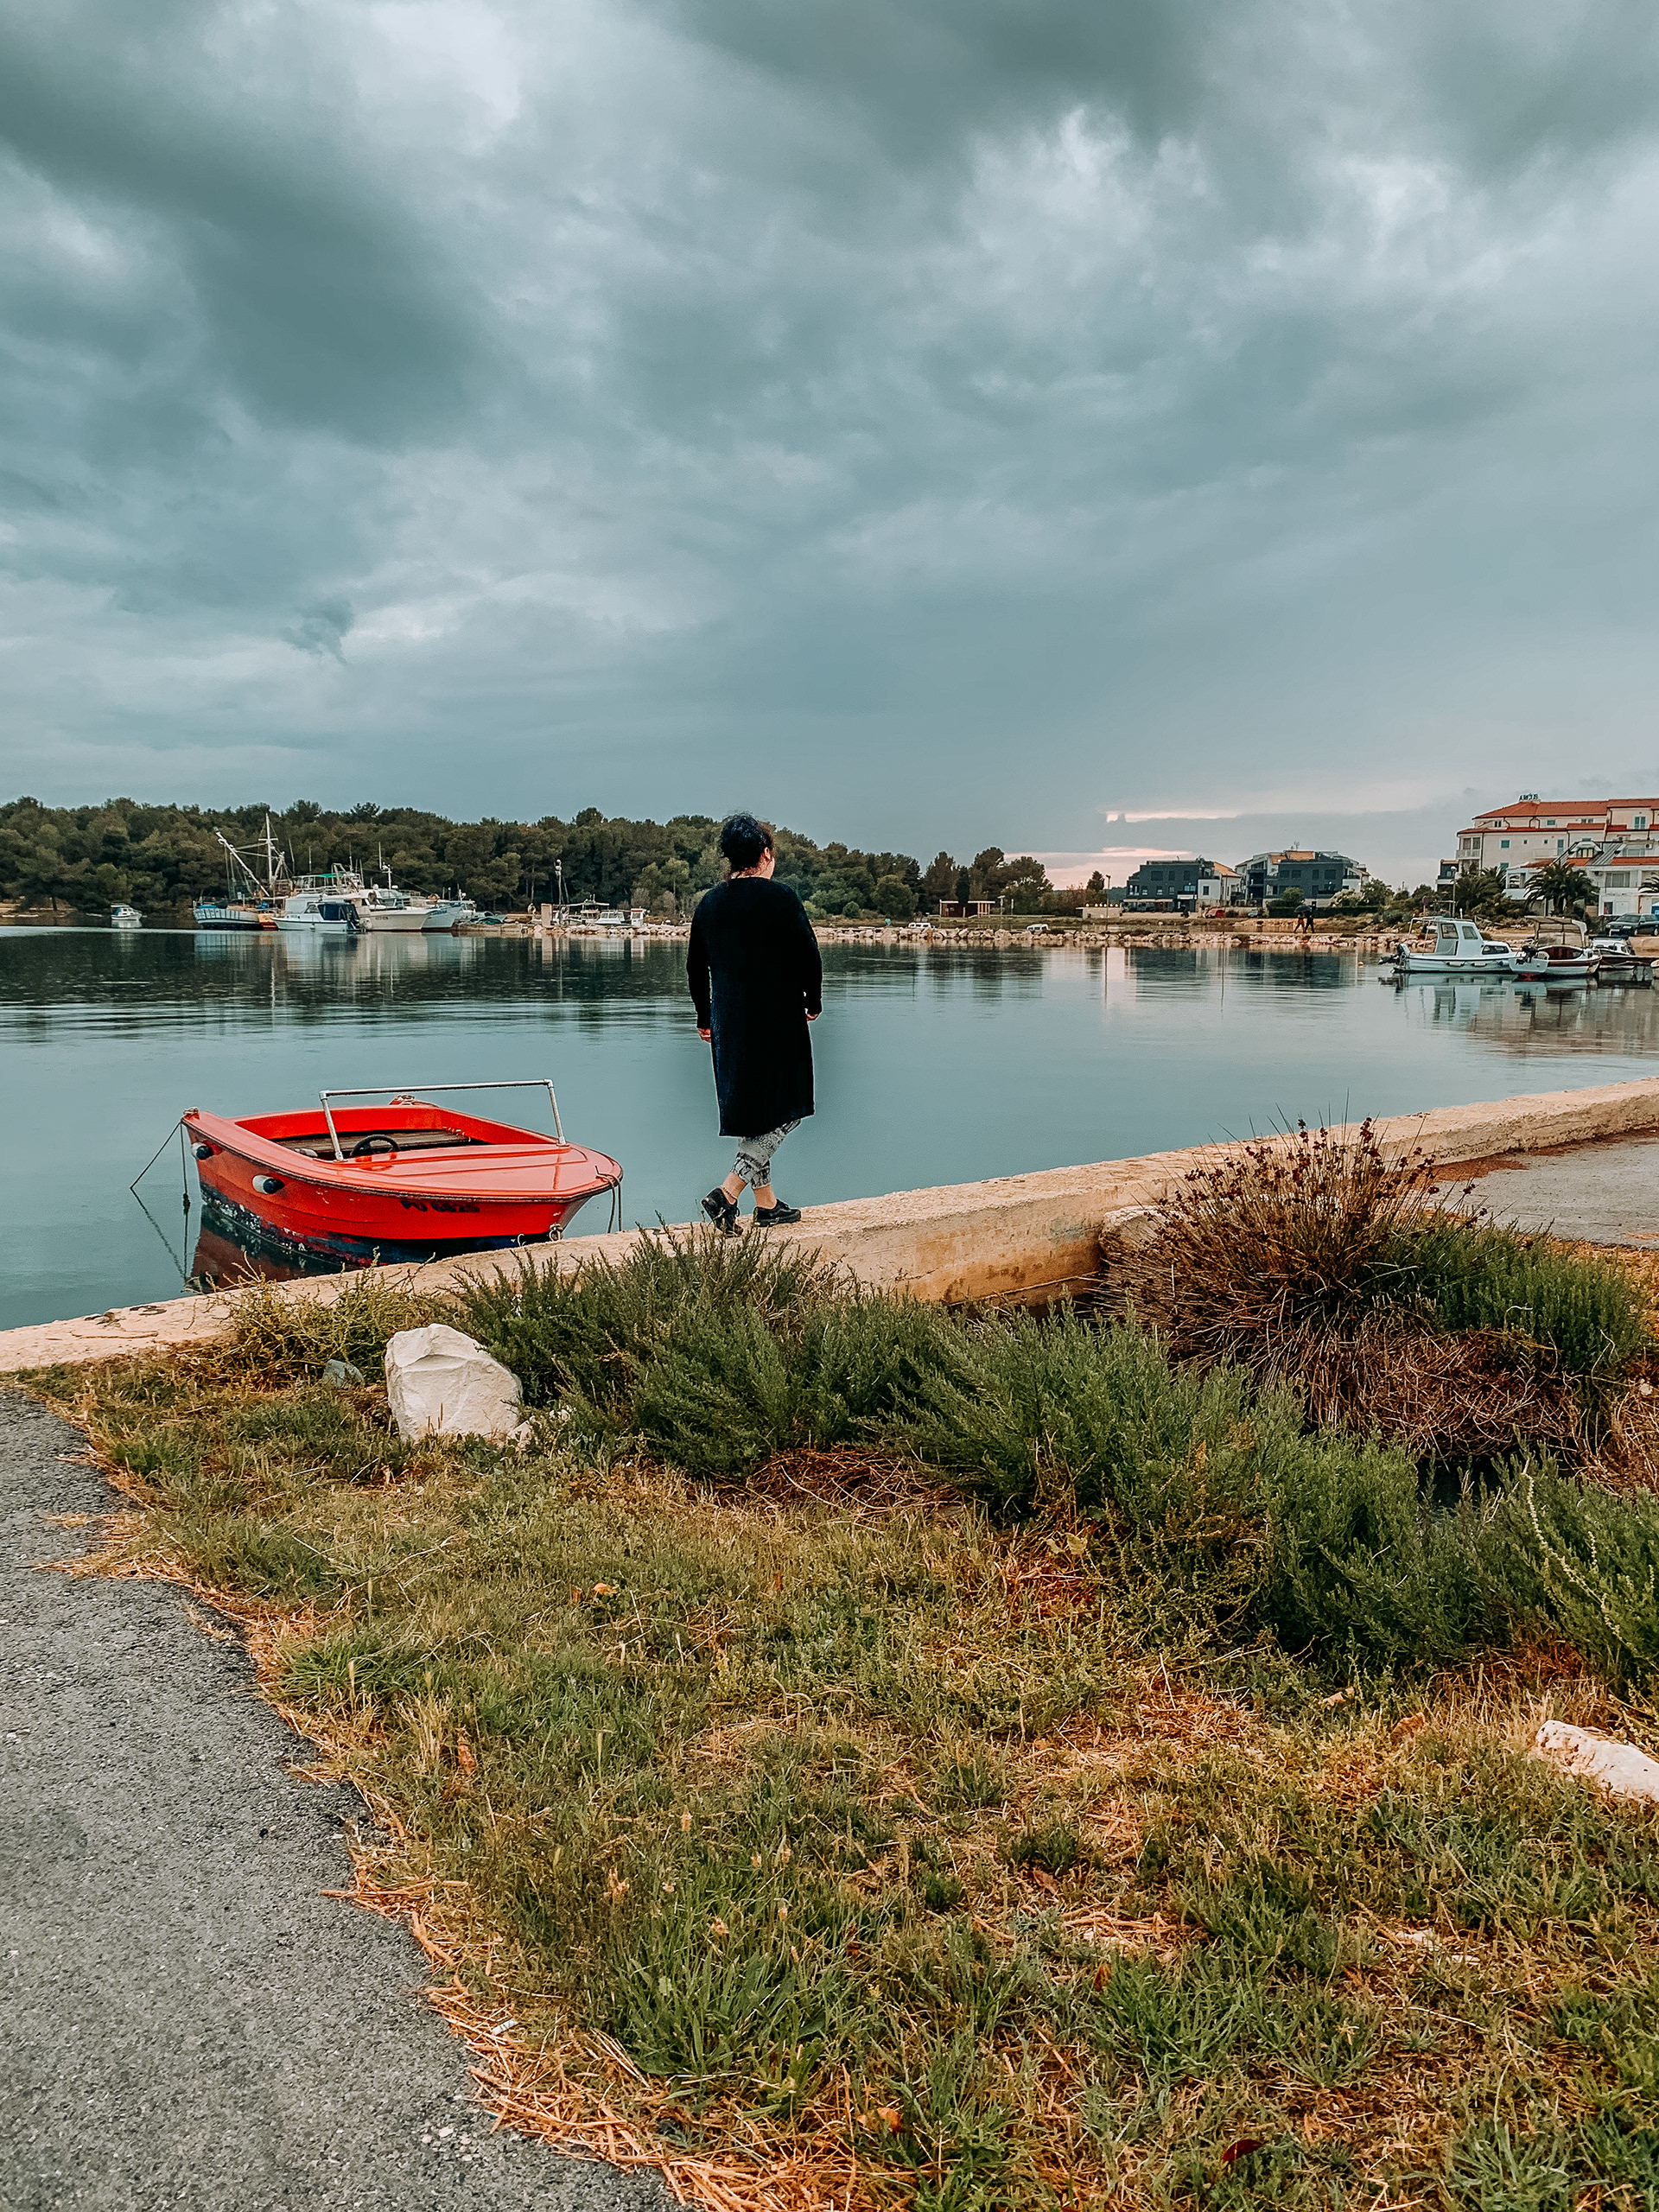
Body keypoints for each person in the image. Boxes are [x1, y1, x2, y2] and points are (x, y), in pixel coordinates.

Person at [687, 814, 822, 1232]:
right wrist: (813, 1000)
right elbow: (808, 953)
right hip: (777, 1020)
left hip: (730, 1024)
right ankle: (727, 1193)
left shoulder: (709, 903)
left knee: (755, 1114)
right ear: (765, 854)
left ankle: (767, 1206)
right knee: (788, 1109)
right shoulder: (781, 898)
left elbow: (696, 968)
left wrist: (705, 1017)